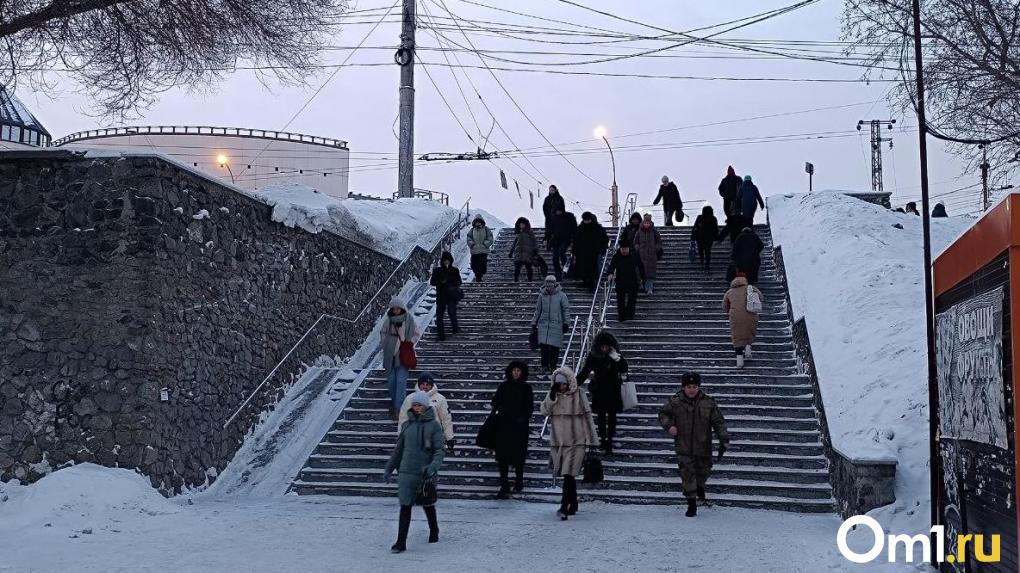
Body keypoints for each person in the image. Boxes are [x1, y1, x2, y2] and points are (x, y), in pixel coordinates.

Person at [657, 372, 729, 517]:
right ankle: (691, 503)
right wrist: (669, 426)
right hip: (683, 445)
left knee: (704, 470)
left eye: (694, 386)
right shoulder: (675, 401)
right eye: (688, 386)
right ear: (683, 387)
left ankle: (700, 486)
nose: (691, 389)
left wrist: (724, 439)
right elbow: (663, 414)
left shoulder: (708, 402)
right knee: (687, 473)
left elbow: (719, 422)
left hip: (703, 445)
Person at [384, 390, 445, 552]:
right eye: (414, 405)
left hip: (424, 472)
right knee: (405, 506)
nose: (416, 407)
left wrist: (433, 467)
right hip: (405, 472)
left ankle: (434, 529)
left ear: (425, 406)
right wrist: (389, 468)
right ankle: (401, 542)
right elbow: (399, 449)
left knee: (427, 504)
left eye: (419, 405)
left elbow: (439, 450)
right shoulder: (407, 425)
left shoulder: (434, 426)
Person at [540, 366, 598, 520]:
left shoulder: (579, 393)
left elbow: (587, 416)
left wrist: (592, 440)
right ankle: (573, 502)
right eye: (558, 384)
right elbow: (544, 411)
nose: (562, 387)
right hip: (558, 442)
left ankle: (564, 506)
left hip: (576, 441)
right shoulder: (554, 394)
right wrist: (551, 398)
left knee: (567, 474)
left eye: (563, 383)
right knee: (568, 475)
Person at [576, 330, 628, 454]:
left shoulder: (615, 355)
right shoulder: (594, 356)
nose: (604, 348)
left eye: (606, 346)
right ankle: (603, 439)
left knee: (612, 417)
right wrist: (574, 383)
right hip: (599, 389)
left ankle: (609, 440)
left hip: (613, 389)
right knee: (600, 417)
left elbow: (625, 368)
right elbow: (585, 372)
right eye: (602, 346)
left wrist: (617, 359)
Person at [492, 360, 535, 498]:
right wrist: (501, 409)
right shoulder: (504, 386)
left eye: (518, 371)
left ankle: (519, 480)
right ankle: (504, 484)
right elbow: (495, 401)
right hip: (503, 427)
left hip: (519, 428)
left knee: (519, 455)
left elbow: (530, 407)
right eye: (514, 370)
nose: (516, 373)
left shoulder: (526, 388)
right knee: (502, 457)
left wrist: (522, 419)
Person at [380, 297, 417, 421]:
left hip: (403, 355)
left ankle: (398, 408)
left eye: (398, 308)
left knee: (401, 382)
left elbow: (416, 333)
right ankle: (395, 404)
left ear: (402, 308)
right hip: (390, 355)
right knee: (392, 382)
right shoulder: (388, 321)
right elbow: (383, 332)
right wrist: (386, 343)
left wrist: (409, 342)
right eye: (394, 308)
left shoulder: (409, 320)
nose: (396, 311)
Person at [398, 372, 455, 451]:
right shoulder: (410, 398)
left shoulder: (440, 399)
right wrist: (401, 437)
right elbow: (403, 418)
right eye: (422, 384)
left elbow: (446, 419)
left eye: (427, 384)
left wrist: (449, 437)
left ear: (431, 385)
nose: (425, 387)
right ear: (419, 384)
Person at [532, 275, 572, 371]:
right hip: (544, 324)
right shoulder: (542, 296)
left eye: (550, 286)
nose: (548, 288)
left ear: (554, 285)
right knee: (544, 347)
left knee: (554, 347)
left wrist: (566, 323)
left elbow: (565, 310)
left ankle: (553, 366)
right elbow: (538, 310)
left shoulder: (562, 296)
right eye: (547, 286)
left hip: (556, 324)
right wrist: (534, 322)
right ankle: (544, 365)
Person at [722, 272, 762, 368]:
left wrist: (730, 311)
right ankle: (748, 348)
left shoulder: (729, 291)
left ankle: (739, 360)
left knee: (737, 336)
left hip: (735, 316)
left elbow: (724, 306)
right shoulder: (751, 288)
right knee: (749, 332)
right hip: (751, 314)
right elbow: (761, 297)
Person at [607, 239, 645, 322]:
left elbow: (641, 266)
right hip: (620, 281)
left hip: (632, 281)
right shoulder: (617, 256)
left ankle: (630, 315)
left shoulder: (634, 255)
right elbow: (612, 266)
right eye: (622, 249)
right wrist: (610, 273)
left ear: (628, 248)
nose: (624, 251)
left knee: (632, 299)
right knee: (620, 300)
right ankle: (622, 316)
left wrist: (643, 277)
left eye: (625, 249)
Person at [572, 211, 609, 292]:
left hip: (594, 253)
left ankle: (592, 285)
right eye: (585, 220)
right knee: (583, 269)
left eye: (588, 219)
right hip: (582, 253)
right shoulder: (580, 228)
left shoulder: (598, 228)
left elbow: (605, 239)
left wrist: (602, 250)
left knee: (592, 270)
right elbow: (576, 241)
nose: (587, 221)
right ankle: (585, 282)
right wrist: (574, 252)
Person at [429, 251, 461, 341]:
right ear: (442, 261)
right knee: (439, 316)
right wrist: (441, 281)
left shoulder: (454, 270)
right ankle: (441, 335)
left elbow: (459, 282)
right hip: (441, 296)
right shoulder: (437, 271)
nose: (446, 262)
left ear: (451, 260)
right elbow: (432, 282)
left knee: (452, 313)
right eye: (445, 260)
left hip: (451, 296)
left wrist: (451, 281)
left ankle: (455, 329)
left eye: (448, 260)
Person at [633, 214, 663, 294]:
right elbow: (635, 241)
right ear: (643, 223)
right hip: (641, 256)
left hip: (651, 256)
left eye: (648, 223)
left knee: (650, 274)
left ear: (650, 223)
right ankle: (642, 287)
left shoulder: (654, 232)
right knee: (641, 273)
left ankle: (649, 289)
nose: (646, 224)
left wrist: (656, 248)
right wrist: (637, 247)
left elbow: (659, 242)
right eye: (645, 223)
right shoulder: (639, 232)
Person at [549, 209, 577, 281]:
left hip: (565, 239)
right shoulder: (553, 218)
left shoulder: (568, 216)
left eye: (559, 210)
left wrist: (573, 238)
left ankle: (568, 271)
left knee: (561, 253)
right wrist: (549, 242)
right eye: (557, 210)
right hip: (556, 240)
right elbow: (551, 231)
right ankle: (558, 274)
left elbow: (574, 228)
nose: (558, 212)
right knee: (555, 258)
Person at [466, 214, 494, 282]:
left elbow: (490, 237)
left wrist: (485, 244)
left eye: (479, 222)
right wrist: (472, 244)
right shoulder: (472, 230)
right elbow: (468, 237)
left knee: (482, 266)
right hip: (474, 251)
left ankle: (479, 277)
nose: (478, 223)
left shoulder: (486, 229)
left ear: (482, 222)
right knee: (473, 265)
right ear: (474, 222)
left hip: (483, 251)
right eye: (476, 222)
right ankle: (478, 276)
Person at [510, 217, 539, 282]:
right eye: (520, 224)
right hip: (519, 253)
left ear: (526, 225)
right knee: (517, 268)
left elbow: (534, 242)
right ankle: (516, 280)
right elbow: (514, 243)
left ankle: (530, 280)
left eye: (523, 224)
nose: (521, 225)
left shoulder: (530, 233)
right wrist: (511, 252)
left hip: (528, 253)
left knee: (529, 267)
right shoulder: (518, 233)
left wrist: (535, 251)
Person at [692, 205, 720, 272]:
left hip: (700, 237)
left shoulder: (700, 217)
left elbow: (695, 227)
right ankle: (707, 265)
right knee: (707, 251)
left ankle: (702, 261)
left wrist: (693, 236)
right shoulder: (713, 218)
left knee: (700, 249)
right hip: (709, 238)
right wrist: (717, 237)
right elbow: (716, 229)